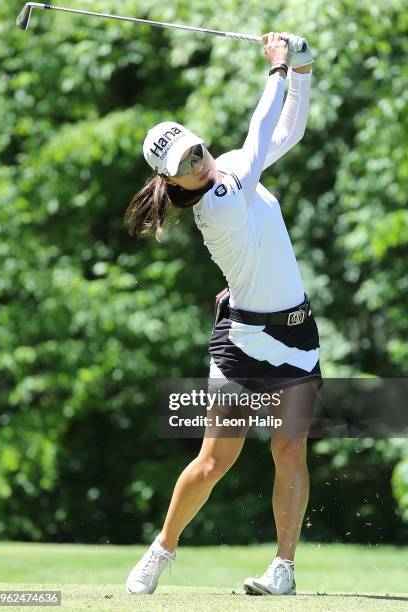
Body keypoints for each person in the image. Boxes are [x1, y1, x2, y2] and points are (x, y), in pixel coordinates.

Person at [124, 31, 320, 596]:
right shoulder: (218, 200)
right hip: (245, 342)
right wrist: (277, 69)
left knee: (290, 449)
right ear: (173, 180)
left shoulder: (227, 168)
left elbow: (287, 133)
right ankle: (163, 548)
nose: (197, 157)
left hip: (296, 333)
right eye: (185, 160)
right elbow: (261, 133)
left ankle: (282, 568)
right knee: (216, 459)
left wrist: (301, 72)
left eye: (195, 146)